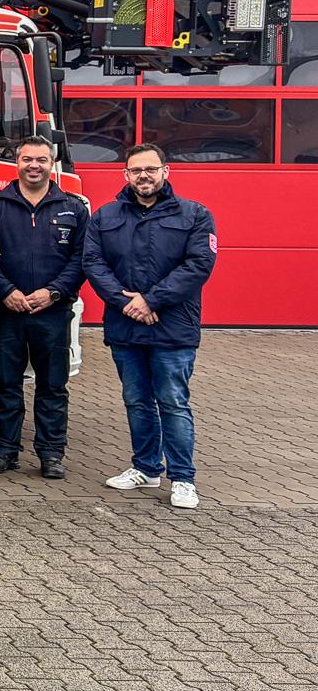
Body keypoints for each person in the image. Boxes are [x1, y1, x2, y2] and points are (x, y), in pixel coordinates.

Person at [84, 144, 217, 510]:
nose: (144, 176)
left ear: (165, 171)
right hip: (126, 326)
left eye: (150, 169)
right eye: (135, 170)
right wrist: (127, 302)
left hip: (172, 328)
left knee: (173, 402)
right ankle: (145, 468)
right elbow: (92, 262)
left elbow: (199, 265)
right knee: (136, 401)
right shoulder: (105, 216)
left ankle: (183, 478)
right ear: (125, 175)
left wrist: (150, 300)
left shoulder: (195, 215)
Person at [0, 136, 88, 479]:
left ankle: (51, 454)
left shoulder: (72, 207)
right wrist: (6, 290)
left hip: (52, 314)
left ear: (51, 162)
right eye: (28, 159)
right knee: (5, 385)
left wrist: (54, 292)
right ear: (17, 162)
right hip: (5, 312)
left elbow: (82, 259)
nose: (34, 166)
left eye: (41, 160)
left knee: (53, 387)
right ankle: (5, 451)